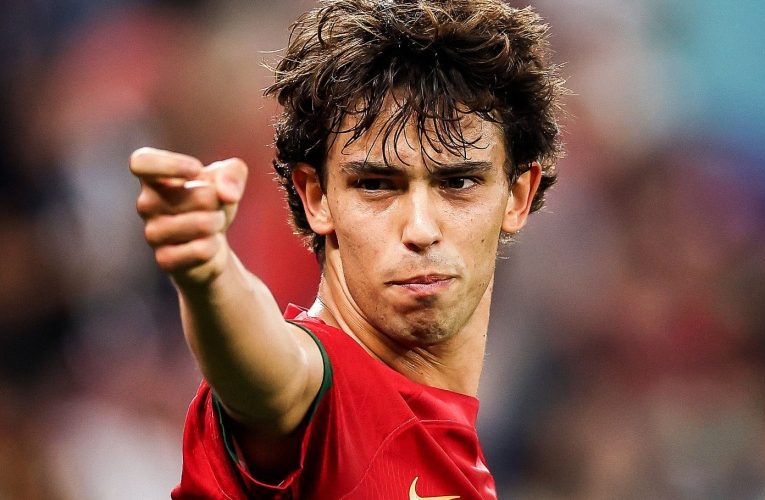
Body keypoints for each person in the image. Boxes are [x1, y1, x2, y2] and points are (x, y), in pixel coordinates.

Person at [129, 0, 564, 497]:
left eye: (458, 182)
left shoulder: (446, 443)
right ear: (316, 198)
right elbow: (270, 378)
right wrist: (208, 271)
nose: (421, 228)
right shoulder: (321, 396)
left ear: (518, 195)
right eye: (376, 185)